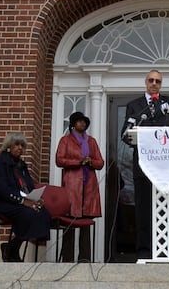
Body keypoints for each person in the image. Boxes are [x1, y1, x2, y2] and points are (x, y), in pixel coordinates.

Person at [122, 69, 169, 258]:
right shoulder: (134, 106)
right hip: (144, 166)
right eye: (151, 80)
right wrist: (137, 138)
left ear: (161, 84)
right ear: (146, 82)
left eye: (158, 81)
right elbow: (125, 135)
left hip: (168, 166)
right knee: (144, 210)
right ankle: (144, 252)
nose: (154, 83)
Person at [0, 131, 51, 262]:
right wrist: (22, 201)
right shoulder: (1, 161)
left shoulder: (21, 165)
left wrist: (35, 199)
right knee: (28, 213)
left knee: (43, 212)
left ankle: (12, 246)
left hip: (13, 202)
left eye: (22, 146)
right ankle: (12, 249)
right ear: (9, 146)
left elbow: (28, 186)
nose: (20, 148)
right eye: (16, 145)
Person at [53, 111, 104, 263]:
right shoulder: (65, 140)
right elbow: (59, 160)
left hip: (89, 186)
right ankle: (67, 259)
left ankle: (85, 259)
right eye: (79, 121)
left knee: (86, 222)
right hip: (72, 186)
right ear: (73, 124)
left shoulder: (92, 141)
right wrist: (78, 162)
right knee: (69, 221)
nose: (82, 124)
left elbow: (100, 162)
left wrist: (90, 162)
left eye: (84, 122)